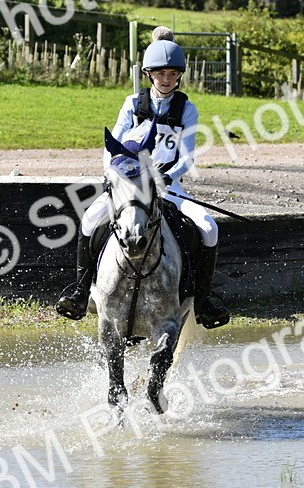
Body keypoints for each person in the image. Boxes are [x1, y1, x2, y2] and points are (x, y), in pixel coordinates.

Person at [56, 28, 230, 329]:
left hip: (167, 187)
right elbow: (112, 147)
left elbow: (187, 157)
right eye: (161, 73)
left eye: (173, 74)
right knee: (89, 221)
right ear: (150, 74)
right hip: (127, 185)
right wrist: (113, 175)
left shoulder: (186, 109)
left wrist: (165, 175)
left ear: (179, 76)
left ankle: (203, 300)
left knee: (208, 227)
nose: (167, 80)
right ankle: (81, 291)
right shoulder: (132, 105)